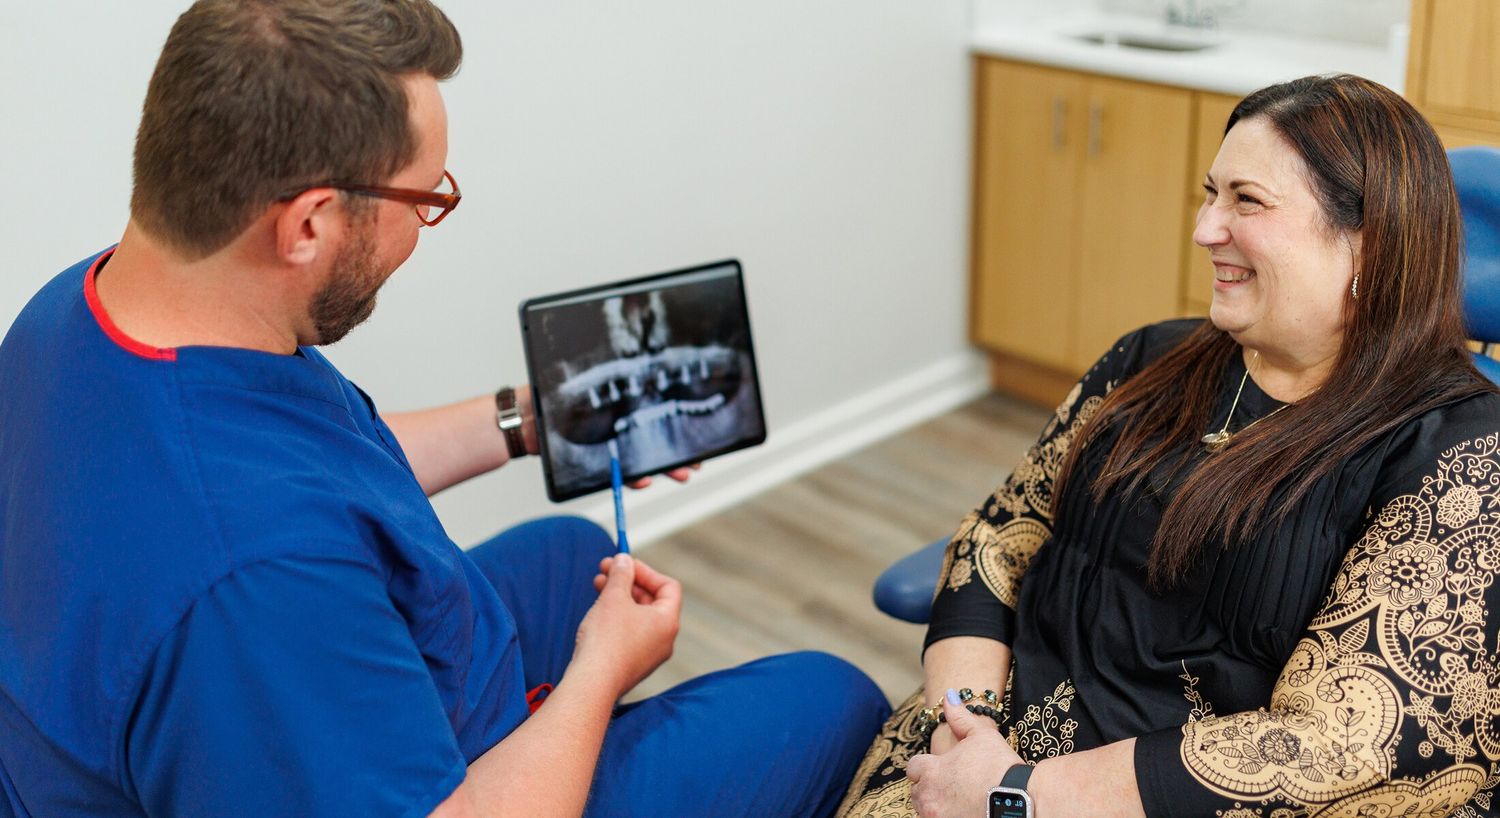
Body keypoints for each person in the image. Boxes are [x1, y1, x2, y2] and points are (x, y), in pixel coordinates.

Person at [0, 2, 890, 816]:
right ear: (307, 224)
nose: (424, 227)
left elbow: (328, 469)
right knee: (828, 699)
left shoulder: (86, 312)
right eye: (425, 201)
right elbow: (285, 545)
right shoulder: (257, 583)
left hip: (280, 677)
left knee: (577, 552)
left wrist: (524, 420)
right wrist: (599, 671)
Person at [836, 73, 1500, 817]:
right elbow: (1000, 535)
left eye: (1246, 201)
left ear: (1370, 245)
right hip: (978, 747)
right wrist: (962, 728)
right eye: (1210, 193)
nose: (1205, 228)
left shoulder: (1461, 458)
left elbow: (1340, 742)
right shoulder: (1149, 359)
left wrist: (1016, 794)